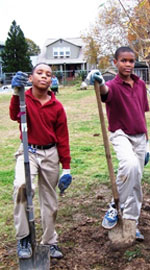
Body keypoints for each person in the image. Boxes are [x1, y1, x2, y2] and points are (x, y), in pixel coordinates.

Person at [87, 46, 150, 241]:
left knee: (136, 182)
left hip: (140, 136)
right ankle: (115, 206)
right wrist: (99, 83)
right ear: (115, 63)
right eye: (123, 60)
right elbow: (105, 93)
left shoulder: (140, 85)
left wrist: (146, 143)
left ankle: (131, 223)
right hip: (120, 133)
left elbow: (141, 113)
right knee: (129, 166)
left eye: (131, 61)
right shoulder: (112, 85)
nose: (128, 64)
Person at [10, 63, 72, 259]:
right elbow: (14, 116)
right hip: (28, 151)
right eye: (40, 73)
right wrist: (15, 92)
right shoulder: (23, 99)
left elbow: (63, 138)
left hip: (50, 154)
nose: (44, 77)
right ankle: (24, 238)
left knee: (50, 201)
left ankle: (49, 241)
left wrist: (67, 168)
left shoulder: (57, 106)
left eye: (49, 74)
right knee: (21, 186)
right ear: (31, 78)